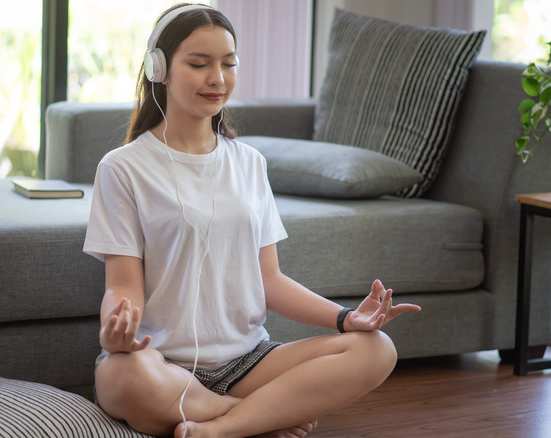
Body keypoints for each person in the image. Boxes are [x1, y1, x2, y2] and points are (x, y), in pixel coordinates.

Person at [83, 3, 421, 437]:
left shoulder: (250, 164)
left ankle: (219, 428)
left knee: (377, 350)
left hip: (248, 361)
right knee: (120, 378)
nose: (217, 79)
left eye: (228, 64)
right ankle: (257, 418)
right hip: (159, 362)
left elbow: (270, 280)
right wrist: (115, 336)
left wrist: (345, 319)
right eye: (199, 64)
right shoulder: (122, 168)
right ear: (159, 69)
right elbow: (122, 286)